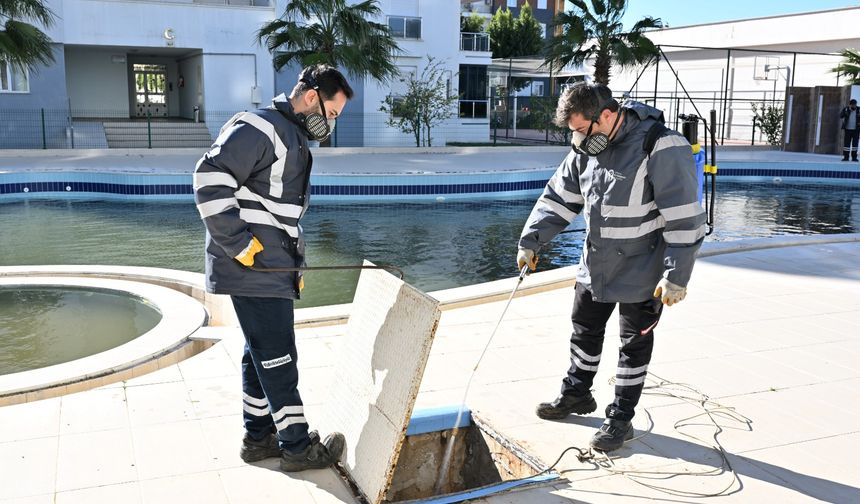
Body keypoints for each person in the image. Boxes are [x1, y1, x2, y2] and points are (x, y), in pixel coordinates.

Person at [517, 83, 705, 452]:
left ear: (606, 115)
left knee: (633, 345)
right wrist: (530, 241)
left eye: (581, 129)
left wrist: (676, 276)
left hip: (644, 269)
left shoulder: (660, 145)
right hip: (595, 264)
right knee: (584, 331)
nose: (577, 139)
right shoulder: (586, 148)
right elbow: (558, 199)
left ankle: (620, 417)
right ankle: (576, 393)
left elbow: (685, 216)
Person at [194, 64, 353, 472]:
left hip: (268, 268)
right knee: (279, 357)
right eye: (332, 113)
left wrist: (292, 267)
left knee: (259, 354)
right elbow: (208, 177)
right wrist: (239, 244)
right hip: (255, 268)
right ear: (312, 97)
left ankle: (258, 438)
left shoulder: (290, 134)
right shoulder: (261, 127)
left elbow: (277, 214)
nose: (331, 124)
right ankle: (296, 447)